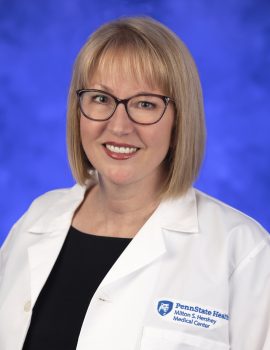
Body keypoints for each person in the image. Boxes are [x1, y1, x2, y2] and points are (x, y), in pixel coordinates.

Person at [0, 16, 269, 350]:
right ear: (77, 109)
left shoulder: (243, 252)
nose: (119, 127)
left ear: (179, 121)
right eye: (100, 98)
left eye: (145, 104)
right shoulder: (35, 221)